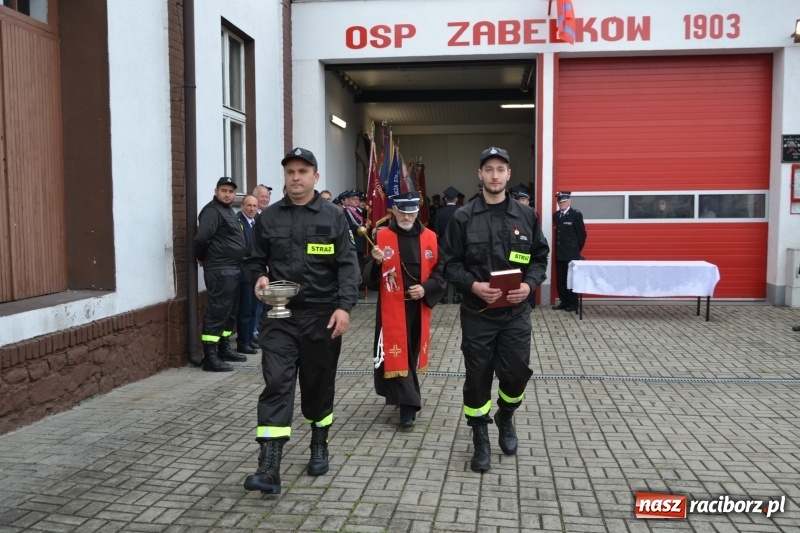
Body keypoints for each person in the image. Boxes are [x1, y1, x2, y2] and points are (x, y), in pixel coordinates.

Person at [241, 147, 360, 495]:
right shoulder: (269, 218)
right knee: (277, 381)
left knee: (317, 384)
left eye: (303, 171)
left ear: (315, 177)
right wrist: (259, 278)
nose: (296, 177)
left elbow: (347, 266)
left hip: (322, 316)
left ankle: (319, 444)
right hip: (280, 316)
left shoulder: (334, 216)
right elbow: (253, 260)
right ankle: (269, 466)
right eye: (290, 171)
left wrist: (345, 307)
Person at [441, 146, 549, 473]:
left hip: (515, 314)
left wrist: (529, 285)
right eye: (488, 169)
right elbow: (449, 264)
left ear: (509, 174)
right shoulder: (463, 217)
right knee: (477, 378)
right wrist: (473, 286)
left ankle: (505, 415)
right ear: (480, 174)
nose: (495, 175)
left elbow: (539, 258)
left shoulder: (527, 216)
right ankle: (480, 438)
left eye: (500, 169)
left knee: (516, 375)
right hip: (478, 314)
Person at [362, 191, 446, 428]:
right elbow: (366, 276)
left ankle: (402, 397)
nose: (407, 216)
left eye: (411, 212)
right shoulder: (382, 237)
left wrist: (427, 288)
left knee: (409, 353)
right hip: (391, 308)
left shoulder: (430, 237)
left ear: (417, 211)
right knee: (397, 353)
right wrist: (376, 262)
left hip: (418, 307)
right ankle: (409, 406)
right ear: (394, 211)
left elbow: (442, 272)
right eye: (402, 212)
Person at [193, 177, 248, 372]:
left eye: (231, 191)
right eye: (224, 190)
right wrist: (201, 257)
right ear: (216, 191)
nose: (227, 194)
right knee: (218, 310)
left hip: (232, 267)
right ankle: (210, 356)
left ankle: (223, 347)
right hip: (219, 268)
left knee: (230, 310)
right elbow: (201, 238)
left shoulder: (228, 211)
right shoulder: (212, 211)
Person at [552, 192, 587, 312]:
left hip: (571, 254)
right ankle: (564, 301)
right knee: (561, 279)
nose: (562, 204)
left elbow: (581, 235)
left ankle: (573, 304)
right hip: (560, 253)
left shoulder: (575, 215)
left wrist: (576, 250)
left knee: (572, 279)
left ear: (569, 201)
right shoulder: (556, 216)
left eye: (564, 202)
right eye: (560, 202)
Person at [235, 195, 260, 355]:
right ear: (242, 206)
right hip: (244, 273)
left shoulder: (256, 222)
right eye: (248, 205)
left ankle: (250, 338)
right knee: (245, 310)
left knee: (254, 309)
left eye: (254, 206)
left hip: (255, 274)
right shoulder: (239, 223)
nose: (251, 209)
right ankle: (243, 342)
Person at [435, 186, 462, 304]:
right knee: (458, 267)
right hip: (458, 243)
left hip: (443, 243)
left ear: (445, 199)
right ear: (456, 199)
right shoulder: (461, 211)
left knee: (443, 268)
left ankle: (444, 296)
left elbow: (436, 230)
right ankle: (457, 296)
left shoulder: (439, 212)